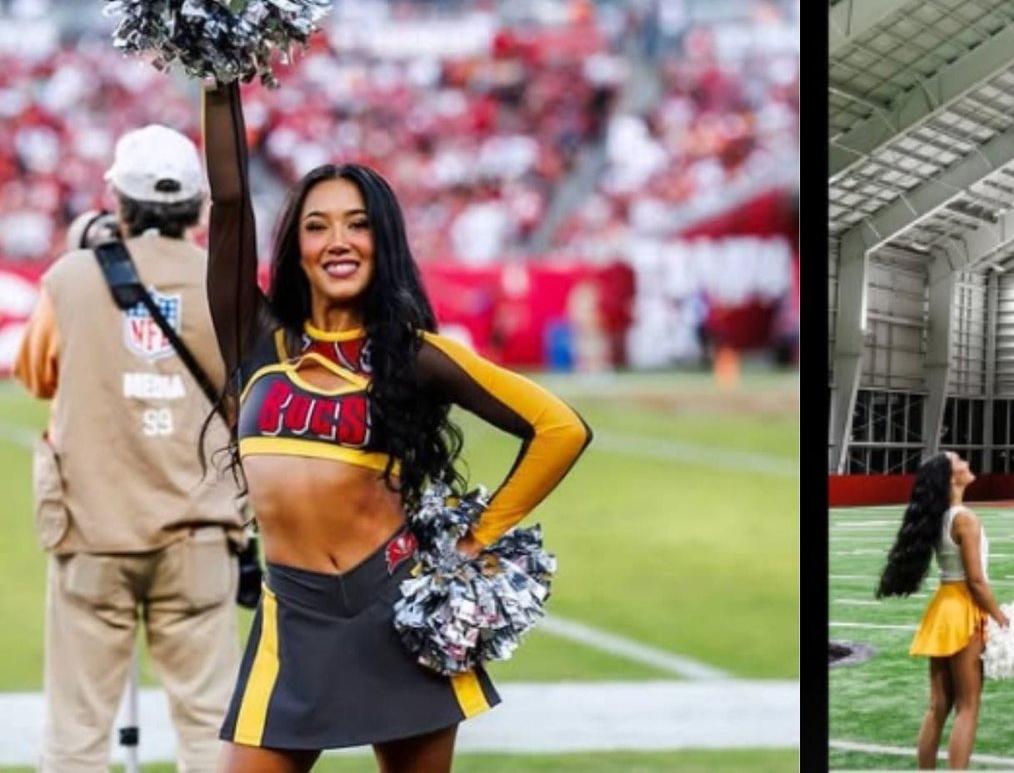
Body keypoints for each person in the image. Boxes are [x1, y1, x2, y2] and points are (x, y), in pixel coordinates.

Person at [199, 81, 593, 770]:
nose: (338, 240)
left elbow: (559, 428)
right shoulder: (256, 340)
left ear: (383, 240)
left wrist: (478, 539)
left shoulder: (411, 354)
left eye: (357, 223)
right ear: (295, 247)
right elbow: (231, 202)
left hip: (395, 614)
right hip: (291, 618)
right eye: (317, 225)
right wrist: (219, 83)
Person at [13, 125, 247, 773]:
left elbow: (35, 374)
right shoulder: (222, 281)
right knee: (210, 732)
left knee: (77, 736)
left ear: (117, 201)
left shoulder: (71, 277)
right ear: (199, 207)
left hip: (94, 529)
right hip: (199, 532)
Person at [875, 451, 1010, 770]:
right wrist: (1000, 618)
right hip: (964, 609)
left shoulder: (938, 516)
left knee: (937, 707)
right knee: (968, 706)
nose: (966, 462)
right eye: (959, 460)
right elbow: (976, 580)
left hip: (943, 607)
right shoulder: (965, 518)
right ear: (953, 477)